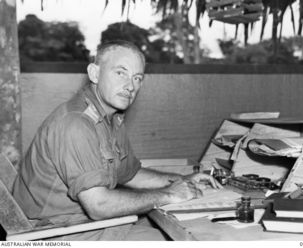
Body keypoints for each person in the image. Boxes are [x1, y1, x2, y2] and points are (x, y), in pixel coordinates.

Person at [13, 40, 222, 241]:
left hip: (84, 223)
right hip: (57, 232)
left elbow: (130, 174)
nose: (130, 86)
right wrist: (168, 195)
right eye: (120, 72)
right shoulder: (76, 124)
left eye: (137, 78)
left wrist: (181, 180)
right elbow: (99, 205)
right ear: (94, 73)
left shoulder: (111, 117)